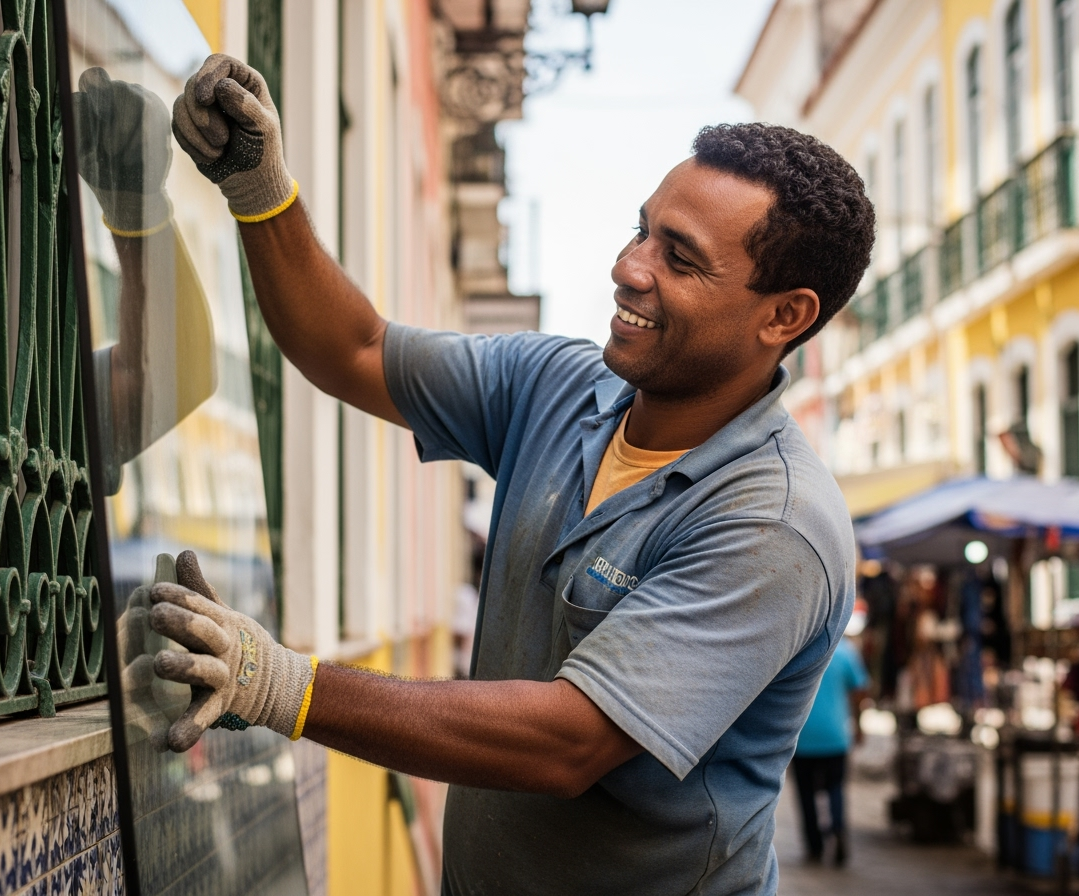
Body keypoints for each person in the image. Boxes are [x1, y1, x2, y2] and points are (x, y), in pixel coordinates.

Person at [143, 54, 875, 894]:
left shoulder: (774, 523)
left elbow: (568, 739)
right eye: (642, 230)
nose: (630, 267)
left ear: (785, 316)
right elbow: (356, 349)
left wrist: (279, 684)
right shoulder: (561, 389)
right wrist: (259, 188)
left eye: (681, 258)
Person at [791, 619, 870, 866]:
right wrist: (858, 725)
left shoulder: (799, 649)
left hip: (802, 736)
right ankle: (837, 828)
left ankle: (814, 845)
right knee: (835, 787)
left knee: (805, 793)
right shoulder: (846, 651)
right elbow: (860, 691)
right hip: (835, 736)